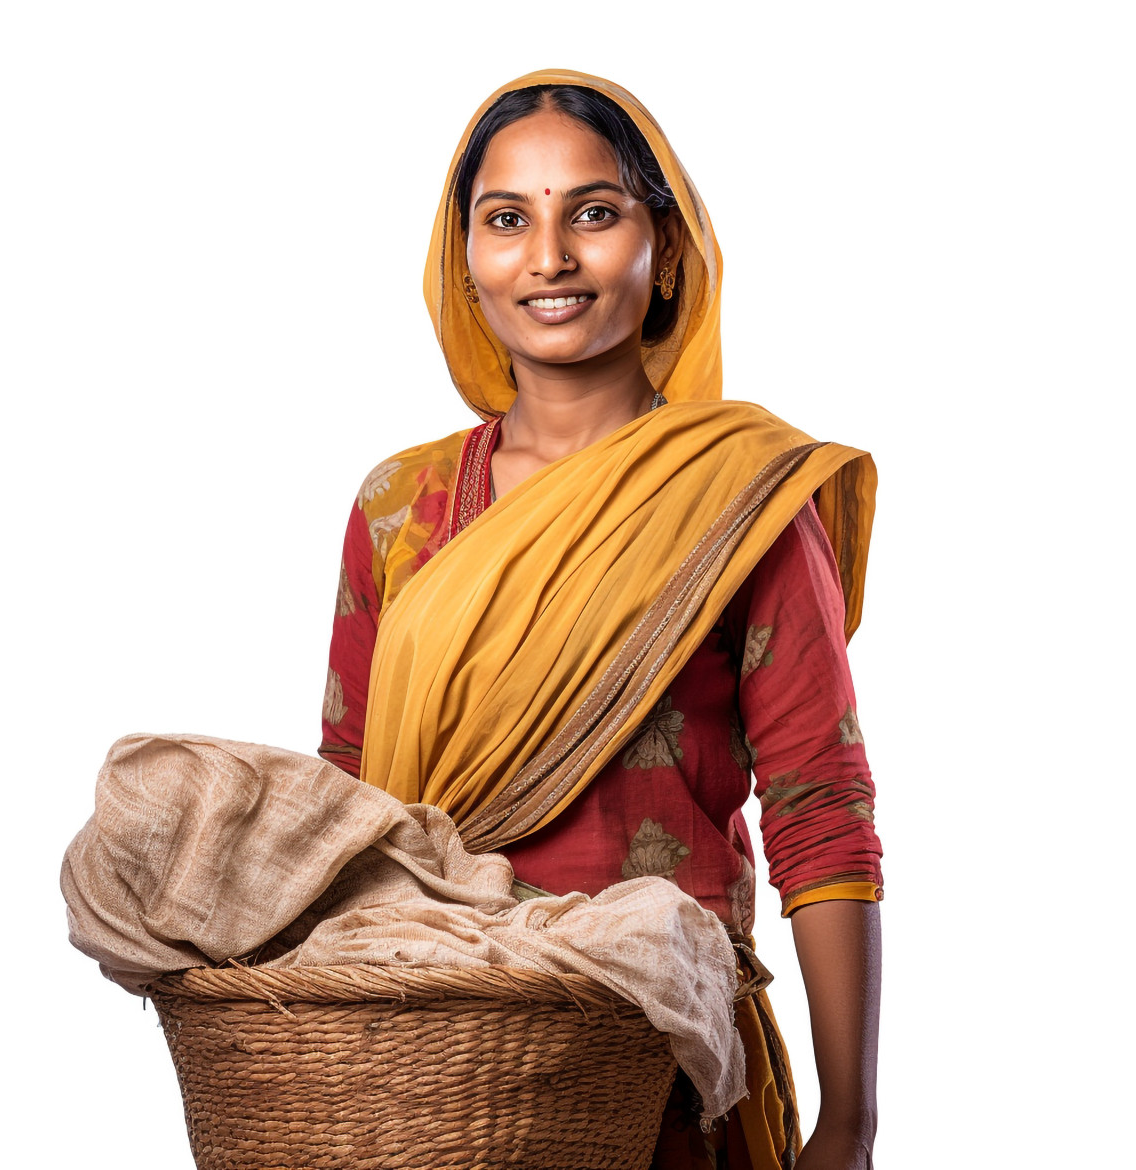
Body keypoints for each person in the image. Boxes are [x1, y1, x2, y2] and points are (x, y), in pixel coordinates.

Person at [319, 69, 883, 1170]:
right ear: (465, 261)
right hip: (432, 1073)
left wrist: (849, 1123)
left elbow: (820, 810)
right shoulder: (401, 508)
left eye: (592, 212)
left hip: (664, 1074)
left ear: (662, 247)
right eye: (505, 220)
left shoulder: (739, 502)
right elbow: (345, 803)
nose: (548, 258)